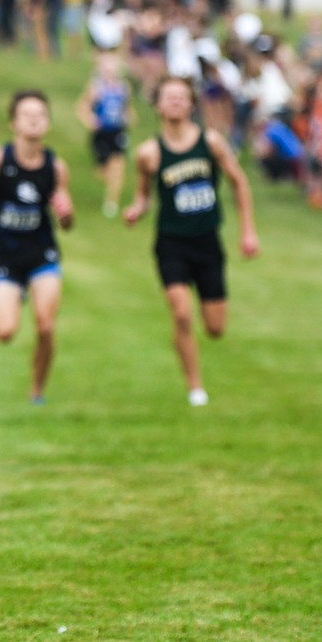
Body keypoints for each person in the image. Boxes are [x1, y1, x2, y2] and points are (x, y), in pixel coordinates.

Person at [123, 76, 259, 406]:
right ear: (157, 105)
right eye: (168, 97)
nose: (175, 102)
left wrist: (248, 231)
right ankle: (195, 386)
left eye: (181, 97)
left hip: (207, 242)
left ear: (191, 104)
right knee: (182, 313)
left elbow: (238, 182)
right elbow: (144, 194)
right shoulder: (148, 154)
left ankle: (197, 363)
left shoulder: (211, 143)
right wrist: (137, 208)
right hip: (171, 243)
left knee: (215, 328)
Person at [0, 90, 74, 404]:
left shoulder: (56, 167)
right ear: (13, 122)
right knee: (5, 332)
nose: (34, 119)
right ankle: (15, 290)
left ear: (47, 123)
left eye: (40, 114)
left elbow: (67, 220)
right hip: (5, 257)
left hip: (42, 255)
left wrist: (66, 214)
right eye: (27, 114)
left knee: (46, 326)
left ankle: (37, 390)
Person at [76, 50, 133, 217]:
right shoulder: (96, 87)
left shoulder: (124, 88)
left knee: (118, 166)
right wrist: (90, 120)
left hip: (118, 131)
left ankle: (111, 202)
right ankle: (108, 182)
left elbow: (127, 109)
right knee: (102, 170)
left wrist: (128, 117)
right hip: (101, 133)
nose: (110, 72)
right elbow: (82, 107)